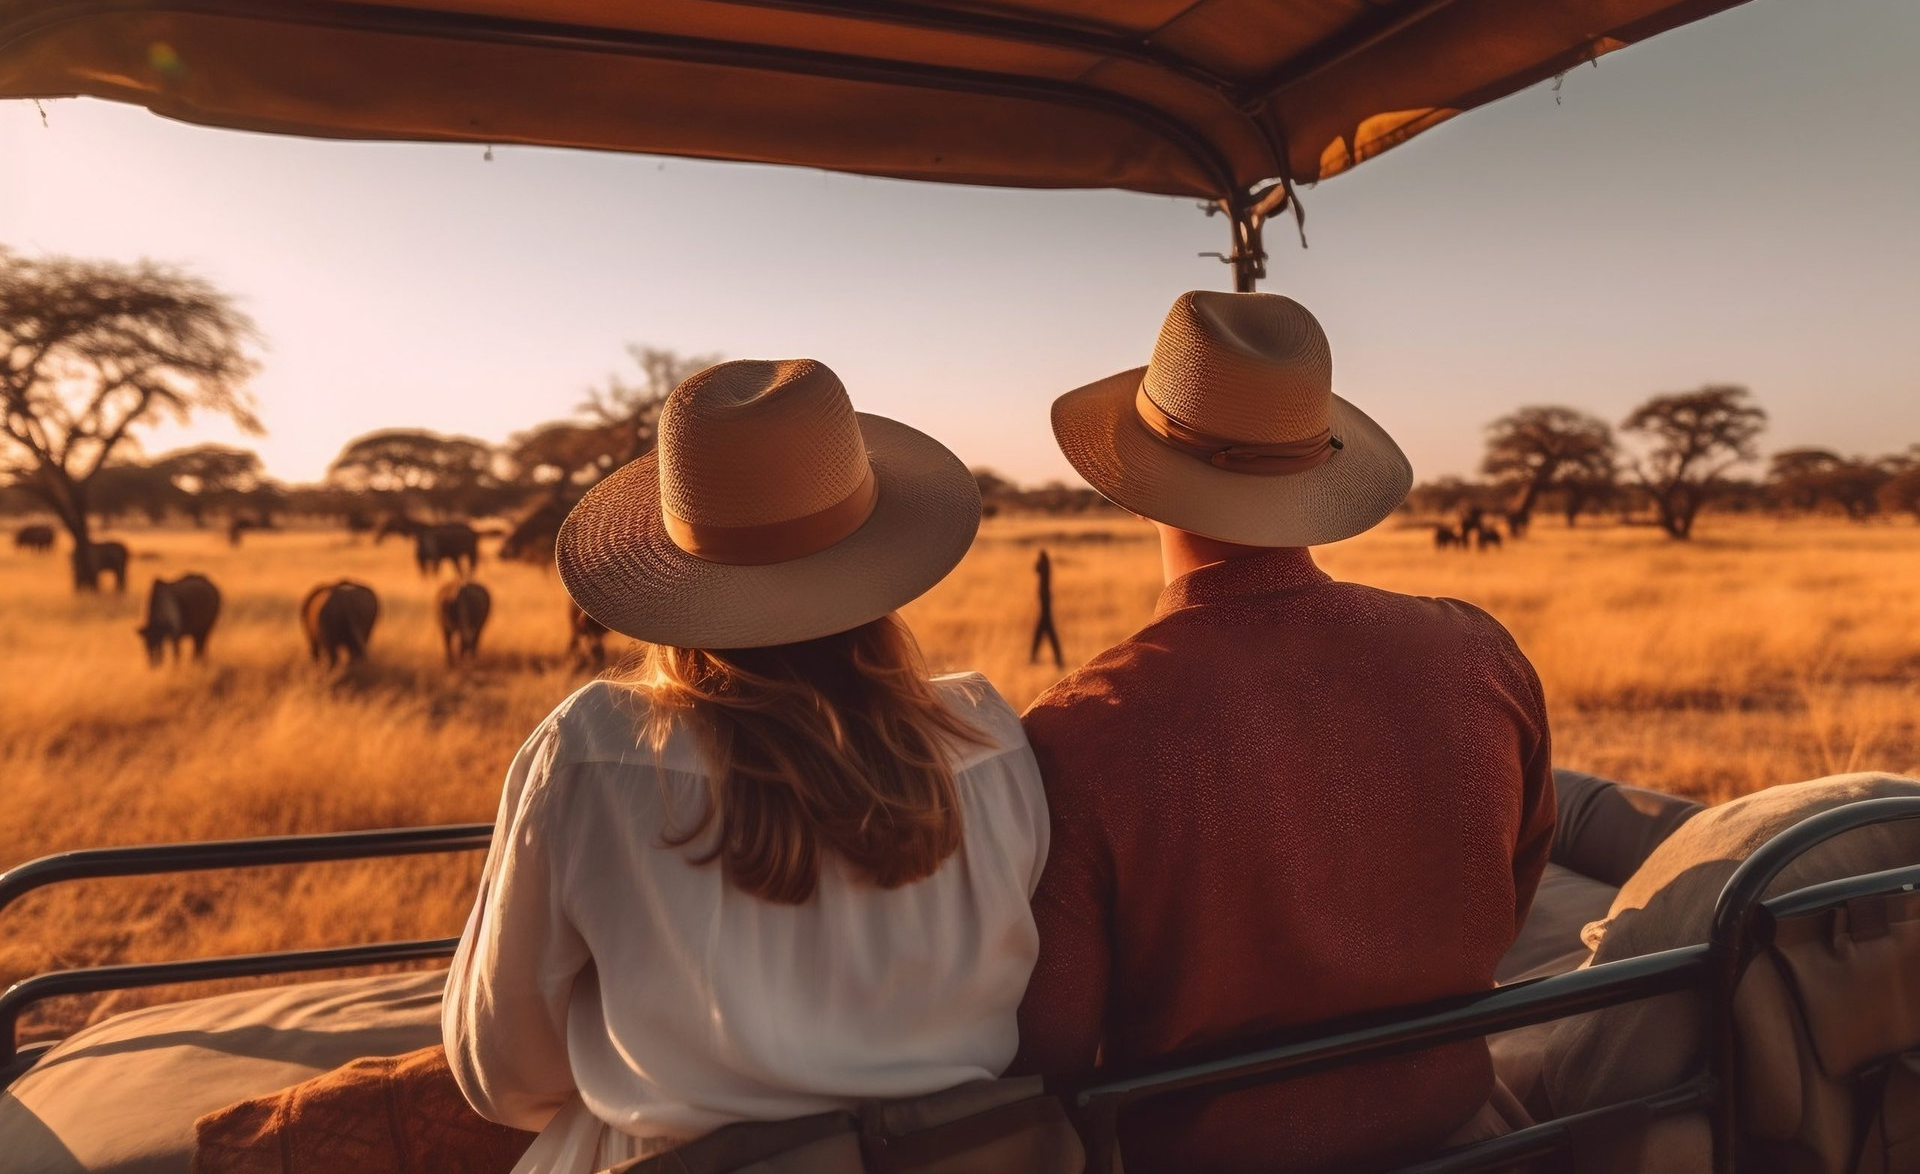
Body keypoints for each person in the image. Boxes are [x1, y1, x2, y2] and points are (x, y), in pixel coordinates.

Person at [444, 358, 1049, 1174]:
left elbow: (500, 1067)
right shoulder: (990, 741)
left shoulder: (592, 751)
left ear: (675, 568)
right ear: (883, 555)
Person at [1013, 292, 1557, 1173]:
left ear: (1136, 479)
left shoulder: (1084, 732)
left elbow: (1055, 1049)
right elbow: (1515, 886)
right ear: (1314, 473)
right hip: (1455, 1131)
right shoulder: (1478, 654)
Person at [1030, 548, 1064, 667]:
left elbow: (1036, 568)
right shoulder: (1046, 567)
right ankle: (1057, 660)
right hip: (1045, 604)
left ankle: (1035, 658)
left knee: (1044, 633)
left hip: (1045, 605)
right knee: (1045, 633)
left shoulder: (1044, 567)